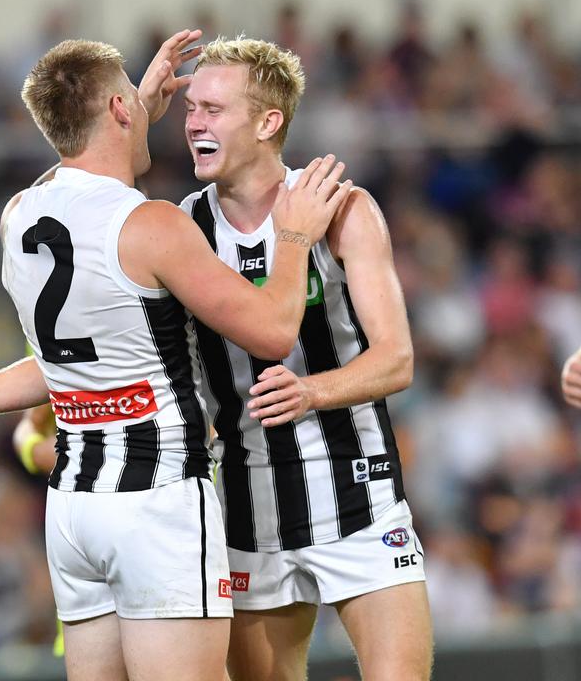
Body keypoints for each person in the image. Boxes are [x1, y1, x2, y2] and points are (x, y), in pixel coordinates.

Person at [0, 32, 352, 681]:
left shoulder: (19, 214)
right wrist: (294, 234)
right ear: (120, 110)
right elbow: (270, 331)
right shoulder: (153, 225)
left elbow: (62, 362)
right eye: (131, 94)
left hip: (75, 508)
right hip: (155, 500)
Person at [178, 37, 430, 681]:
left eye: (213, 108)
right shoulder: (180, 230)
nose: (194, 123)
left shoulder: (344, 210)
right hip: (245, 497)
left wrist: (312, 392)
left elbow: (397, 360)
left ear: (268, 123)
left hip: (358, 487)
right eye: (190, 109)